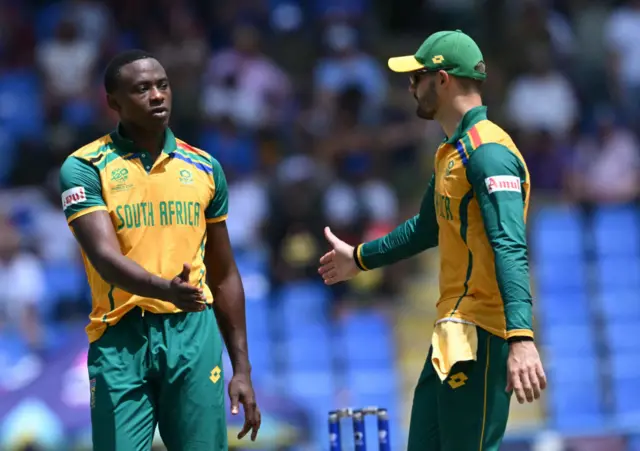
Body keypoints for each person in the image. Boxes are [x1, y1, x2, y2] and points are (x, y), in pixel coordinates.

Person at [318, 31, 547, 451]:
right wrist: (360, 257)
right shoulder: (452, 151)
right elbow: (426, 227)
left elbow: (510, 245)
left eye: (417, 76)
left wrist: (521, 338)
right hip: (453, 330)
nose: (410, 86)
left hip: (485, 332)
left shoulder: (489, 153)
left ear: (442, 80)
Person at [59, 50, 261, 451]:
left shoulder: (204, 167)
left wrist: (242, 370)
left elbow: (223, 273)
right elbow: (105, 259)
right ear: (113, 102)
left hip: (192, 333)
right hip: (121, 335)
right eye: (141, 88)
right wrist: (165, 289)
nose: (156, 96)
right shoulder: (85, 166)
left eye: (162, 85)